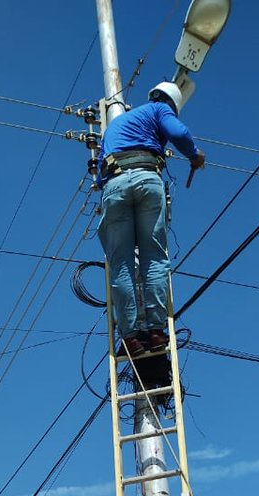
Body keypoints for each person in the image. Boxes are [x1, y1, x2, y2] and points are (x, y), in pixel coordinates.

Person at [97, 82, 205, 359]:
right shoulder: (160, 109)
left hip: (114, 185)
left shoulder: (116, 127)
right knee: (153, 258)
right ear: (172, 104)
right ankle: (156, 332)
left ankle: (131, 337)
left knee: (121, 263)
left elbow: (99, 174)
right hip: (146, 178)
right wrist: (194, 155)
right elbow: (178, 132)